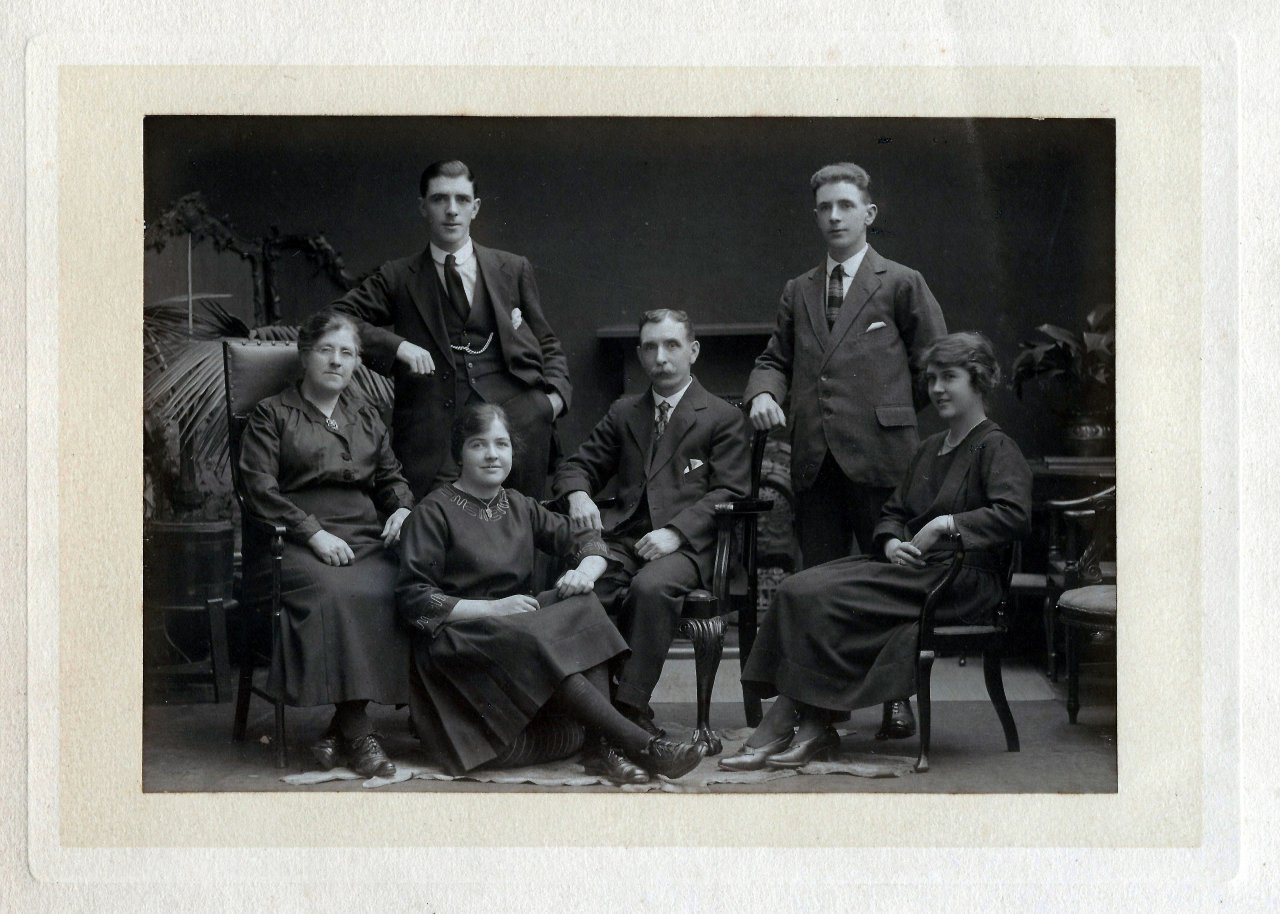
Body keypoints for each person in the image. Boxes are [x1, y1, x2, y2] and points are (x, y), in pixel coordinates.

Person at [721, 332, 1032, 771]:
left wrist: (945, 525)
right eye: (932, 378)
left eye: (950, 378)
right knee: (799, 587)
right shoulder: (928, 449)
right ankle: (810, 723)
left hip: (963, 579)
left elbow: (1015, 516)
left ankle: (791, 721)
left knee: (823, 597)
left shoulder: (996, 447)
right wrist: (890, 541)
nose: (937, 388)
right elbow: (893, 511)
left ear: (978, 382)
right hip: (916, 570)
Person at [396, 403, 707, 785]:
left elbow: (588, 539)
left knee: (581, 604)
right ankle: (639, 745)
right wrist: (494, 608)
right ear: (459, 451)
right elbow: (415, 599)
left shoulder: (520, 505)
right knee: (534, 641)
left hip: (516, 628)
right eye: (479, 445)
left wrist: (585, 570)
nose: (493, 455)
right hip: (460, 641)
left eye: (502, 444)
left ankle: (602, 745)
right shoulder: (433, 511)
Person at [743, 161, 948, 738]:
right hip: (815, 461)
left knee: (893, 579)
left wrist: (889, 414)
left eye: (845, 206)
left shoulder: (902, 281)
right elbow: (775, 360)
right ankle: (821, 710)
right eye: (825, 208)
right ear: (816, 215)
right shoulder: (798, 290)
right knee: (821, 586)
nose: (834, 217)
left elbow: (936, 363)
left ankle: (895, 699)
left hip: (885, 460)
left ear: (868, 214)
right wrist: (763, 394)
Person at [549, 310, 751, 735]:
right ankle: (584, 705)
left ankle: (629, 711)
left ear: (693, 351)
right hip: (626, 539)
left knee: (650, 586)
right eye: (651, 347)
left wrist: (676, 532)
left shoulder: (721, 417)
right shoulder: (626, 412)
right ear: (640, 355)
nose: (661, 356)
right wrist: (579, 492)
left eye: (672, 345)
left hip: (693, 548)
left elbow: (731, 492)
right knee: (583, 585)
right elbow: (576, 466)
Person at [237, 309, 414, 779]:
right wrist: (313, 533)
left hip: (362, 535)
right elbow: (259, 489)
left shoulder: (366, 415)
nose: (336, 361)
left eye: (347, 353)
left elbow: (390, 477)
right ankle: (359, 732)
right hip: (293, 540)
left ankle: (340, 727)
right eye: (326, 350)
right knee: (338, 592)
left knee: (405, 584)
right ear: (304, 354)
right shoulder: (271, 414)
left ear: (357, 362)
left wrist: (401, 507)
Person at [333, 159, 572, 499]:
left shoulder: (512, 269)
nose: (451, 210)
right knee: (439, 535)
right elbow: (337, 318)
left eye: (461, 200)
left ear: (475, 208)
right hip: (433, 431)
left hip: (517, 424)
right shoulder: (398, 276)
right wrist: (398, 346)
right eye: (439, 199)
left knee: (520, 529)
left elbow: (546, 341)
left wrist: (554, 400)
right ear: (423, 207)